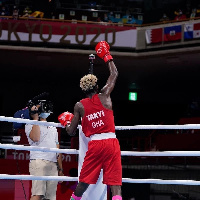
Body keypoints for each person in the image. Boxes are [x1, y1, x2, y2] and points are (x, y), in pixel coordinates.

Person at [58, 41, 122, 200]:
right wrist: (107, 56)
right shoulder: (105, 95)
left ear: (83, 89)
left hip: (95, 145)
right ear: (97, 86)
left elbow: (71, 131)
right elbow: (114, 74)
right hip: (111, 142)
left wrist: (66, 122)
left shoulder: (79, 106)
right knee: (114, 182)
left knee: (84, 181)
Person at [25, 99, 64, 200]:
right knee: (38, 195)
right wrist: (35, 117)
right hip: (38, 161)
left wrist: (60, 169)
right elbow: (36, 138)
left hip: (53, 164)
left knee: (50, 198)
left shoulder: (53, 127)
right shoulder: (29, 124)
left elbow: (57, 149)